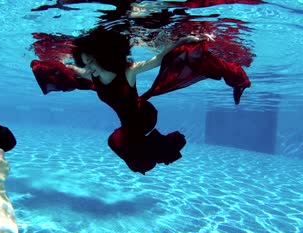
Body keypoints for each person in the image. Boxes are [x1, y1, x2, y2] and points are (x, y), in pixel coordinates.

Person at [31, 28, 251, 173]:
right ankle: (154, 151)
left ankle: (159, 150)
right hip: (130, 122)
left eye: (92, 61)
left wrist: (183, 40)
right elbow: (72, 69)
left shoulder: (128, 72)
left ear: (104, 57)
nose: (89, 67)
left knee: (119, 144)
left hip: (142, 117)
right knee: (121, 144)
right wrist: (52, 62)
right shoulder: (92, 75)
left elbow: (158, 59)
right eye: (85, 62)